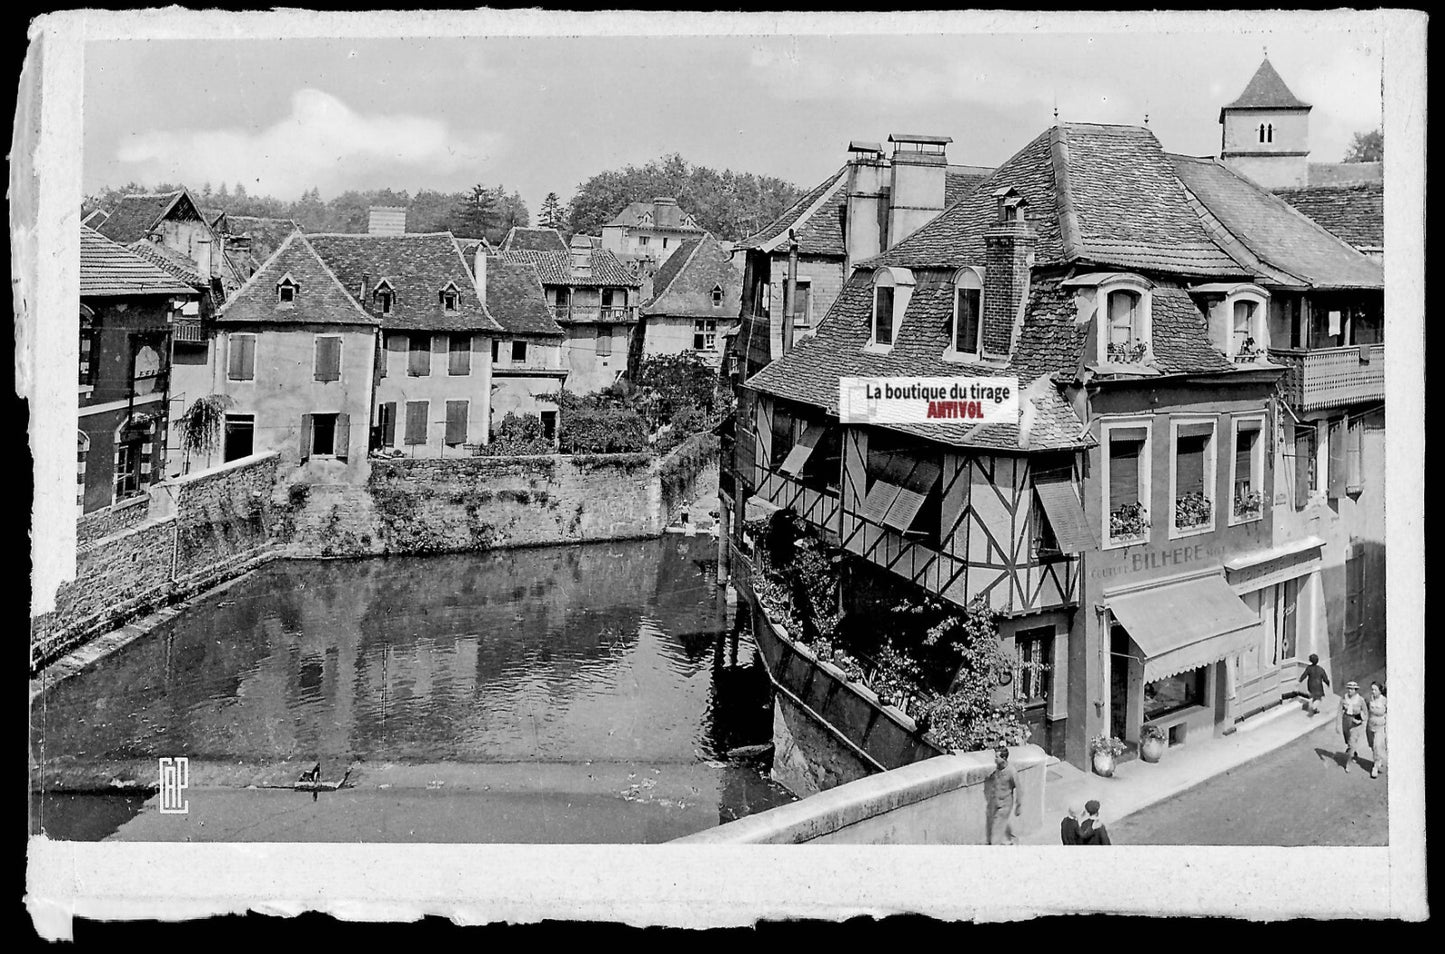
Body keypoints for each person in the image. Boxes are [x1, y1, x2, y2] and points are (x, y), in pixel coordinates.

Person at [983, 746, 1022, 845]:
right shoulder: (998, 768)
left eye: (997, 757)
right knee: (1001, 824)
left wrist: (1019, 806)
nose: (995, 759)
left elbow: (1019, 789)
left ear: (1004, 758)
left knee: (996, 830)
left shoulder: (1011, 771)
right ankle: (1013, 840)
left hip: (1005, 805)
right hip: (996, 802)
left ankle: (994, 847)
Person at [1340, 681, 1368, 772]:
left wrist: (1360, 720)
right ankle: (1354, 752)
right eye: (1349, 688)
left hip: (1355, 723)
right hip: (1346, 721)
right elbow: (1340, 710)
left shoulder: (1360, 700)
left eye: (1352, 689)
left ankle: (1348, 763)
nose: (1350, 690)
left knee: (1351, 743)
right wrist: (1337, 724)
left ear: (1356, 690)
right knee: (1348, 741)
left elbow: (1365, 713)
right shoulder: (1344, 698)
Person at [1366, 682, 1388, 779]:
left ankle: (1375, 766)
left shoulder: (1384, 700)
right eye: (1372, 689)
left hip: (1380, 726)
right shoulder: (1369, 699)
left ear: (1380, 691)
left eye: (1375, 690)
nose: (1373, 691)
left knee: (1377, 746)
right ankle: (1378, 759)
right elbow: (1365, 710)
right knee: (1372, 745)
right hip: (1370, 726)